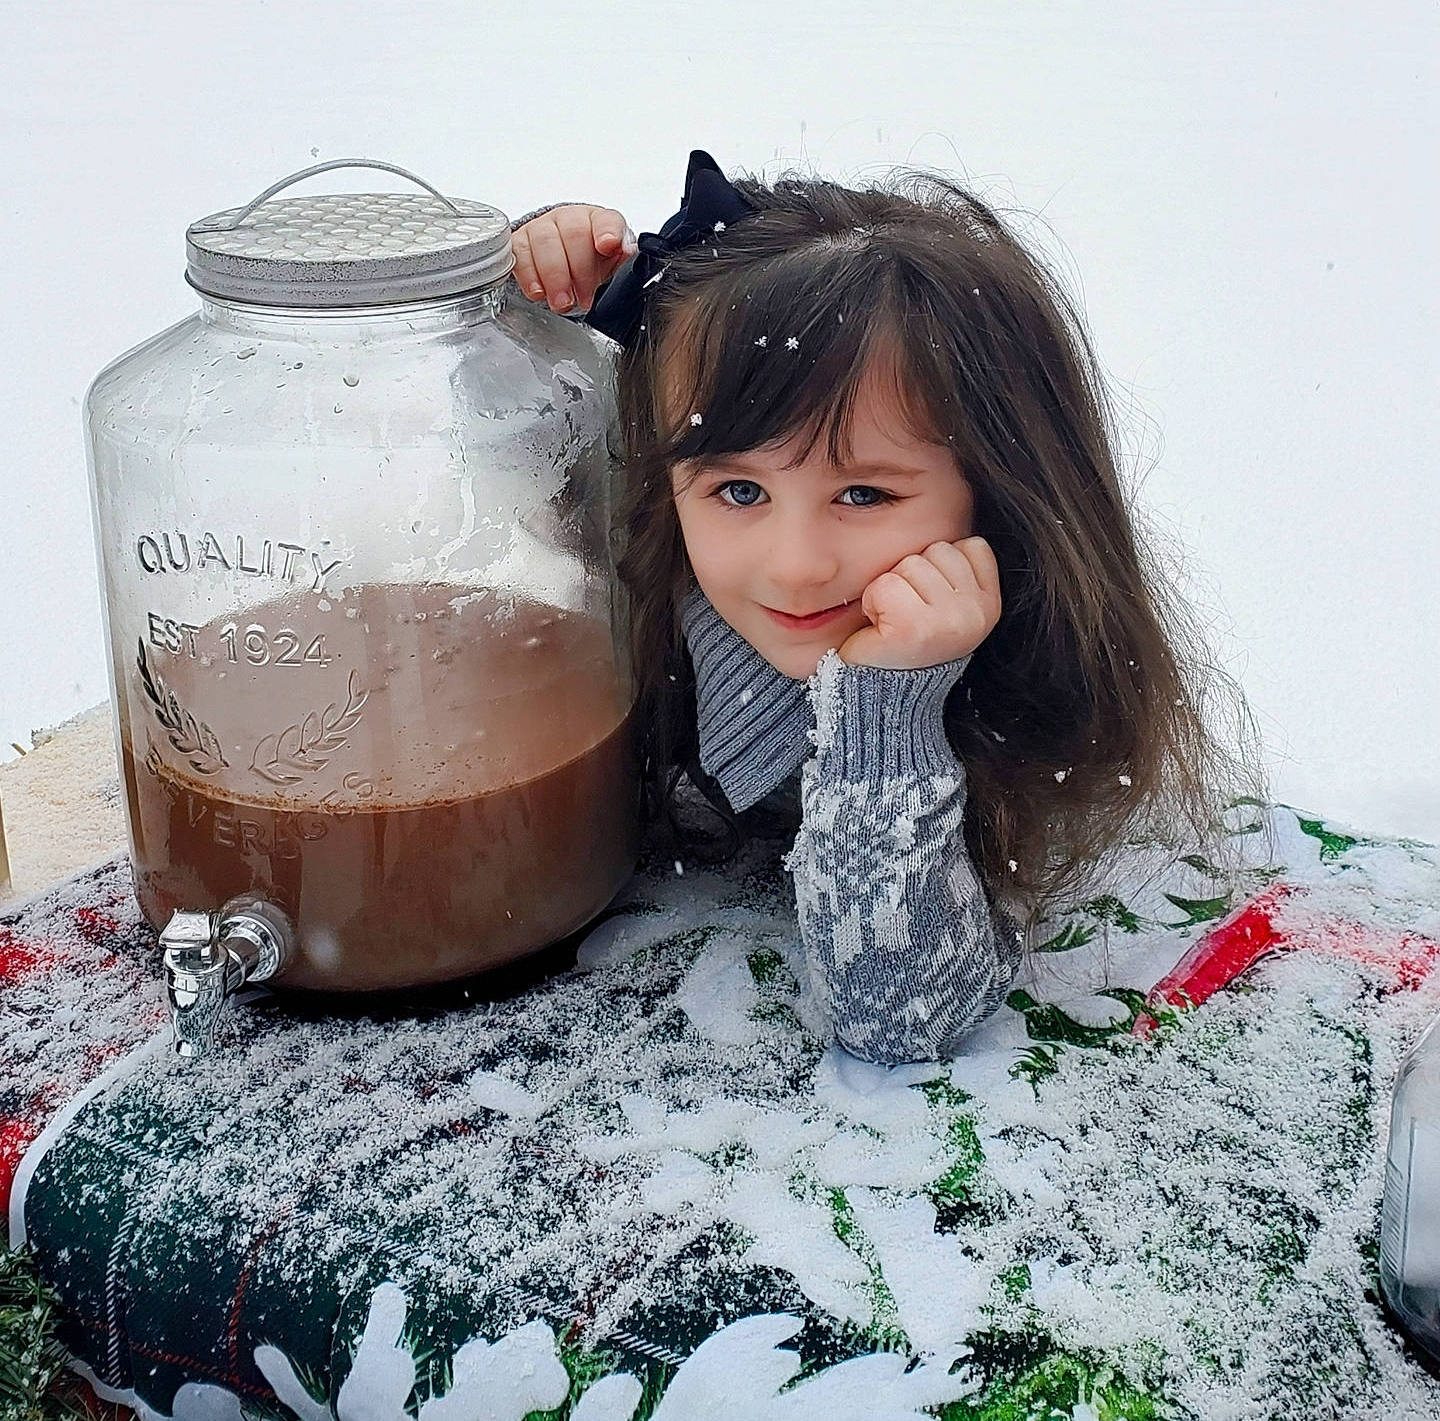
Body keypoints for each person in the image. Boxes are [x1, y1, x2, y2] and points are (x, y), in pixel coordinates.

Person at [510, 154, 1256, 1065]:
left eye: (864, 496)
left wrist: (888, 711)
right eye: (738, 491)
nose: (795, 567)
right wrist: (538, 285)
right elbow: (510, 451)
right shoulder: (642, 549)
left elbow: (898, 1014)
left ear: (1000, 485)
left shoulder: (1022, 703)